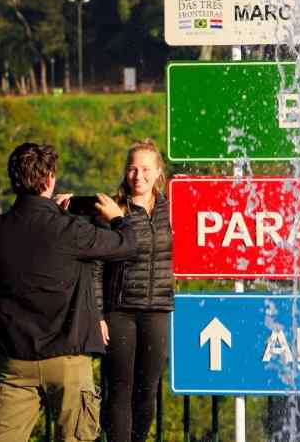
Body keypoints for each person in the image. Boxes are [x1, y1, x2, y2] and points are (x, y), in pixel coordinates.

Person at [0, 142, 137, 442]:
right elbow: (126, 244)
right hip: (68, 357)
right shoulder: (69, 231)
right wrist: (117, 217)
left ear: (14, 179)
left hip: (13, 358)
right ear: (50, 178)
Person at [94, 139, 175, 442]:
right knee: (119, 388)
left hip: (157, 309)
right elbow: (96, 267)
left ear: (157, 173)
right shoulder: (112, 210)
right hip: (120, 311)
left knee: (148, 390)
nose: (137, 175)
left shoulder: (171, 209)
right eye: (132, 169)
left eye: (144, 169)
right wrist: (99, 314)